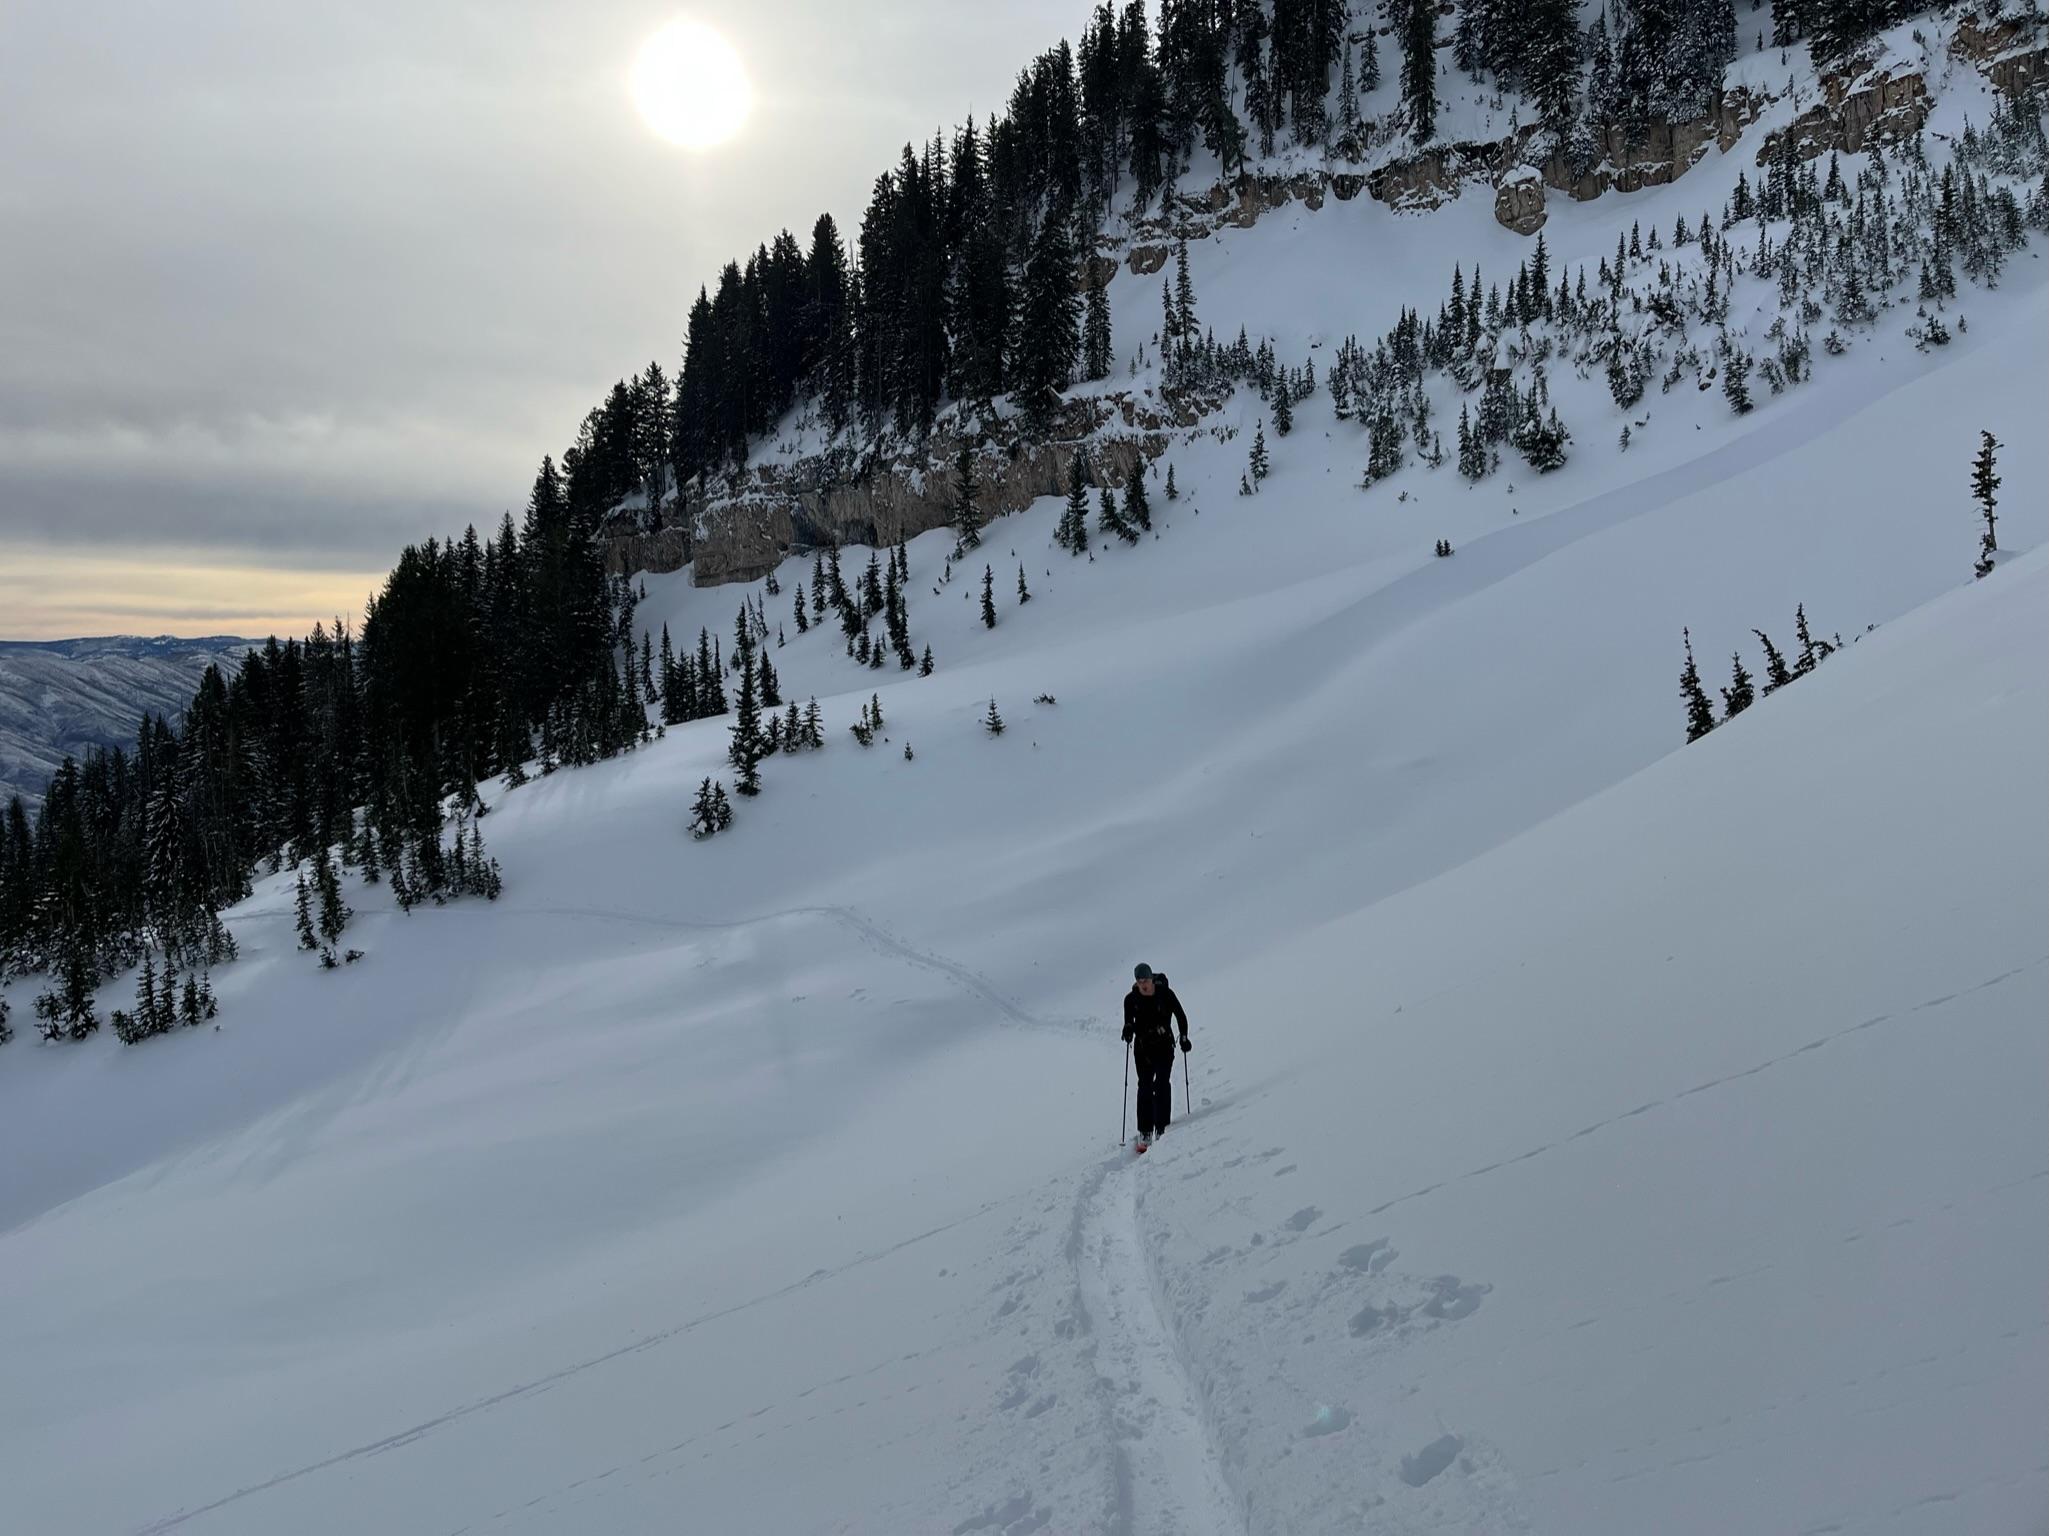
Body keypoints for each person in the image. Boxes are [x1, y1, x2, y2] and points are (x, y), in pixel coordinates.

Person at [1122, 963, 1190, 1150]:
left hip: (1164, 1046)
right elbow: (1128, 1021)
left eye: (1145, 980)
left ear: (1152, 978)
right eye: (1139, 980)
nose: (1143, 984)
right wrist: (1128, 1029)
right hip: (1143, 1049)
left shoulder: (1165, 994)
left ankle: (1161, 1126)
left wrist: (1183, 1036)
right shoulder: (1131, 999)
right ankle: (1145, 1131)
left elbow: (1181, 1016)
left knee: (1161, 1083)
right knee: (1144, 1086)